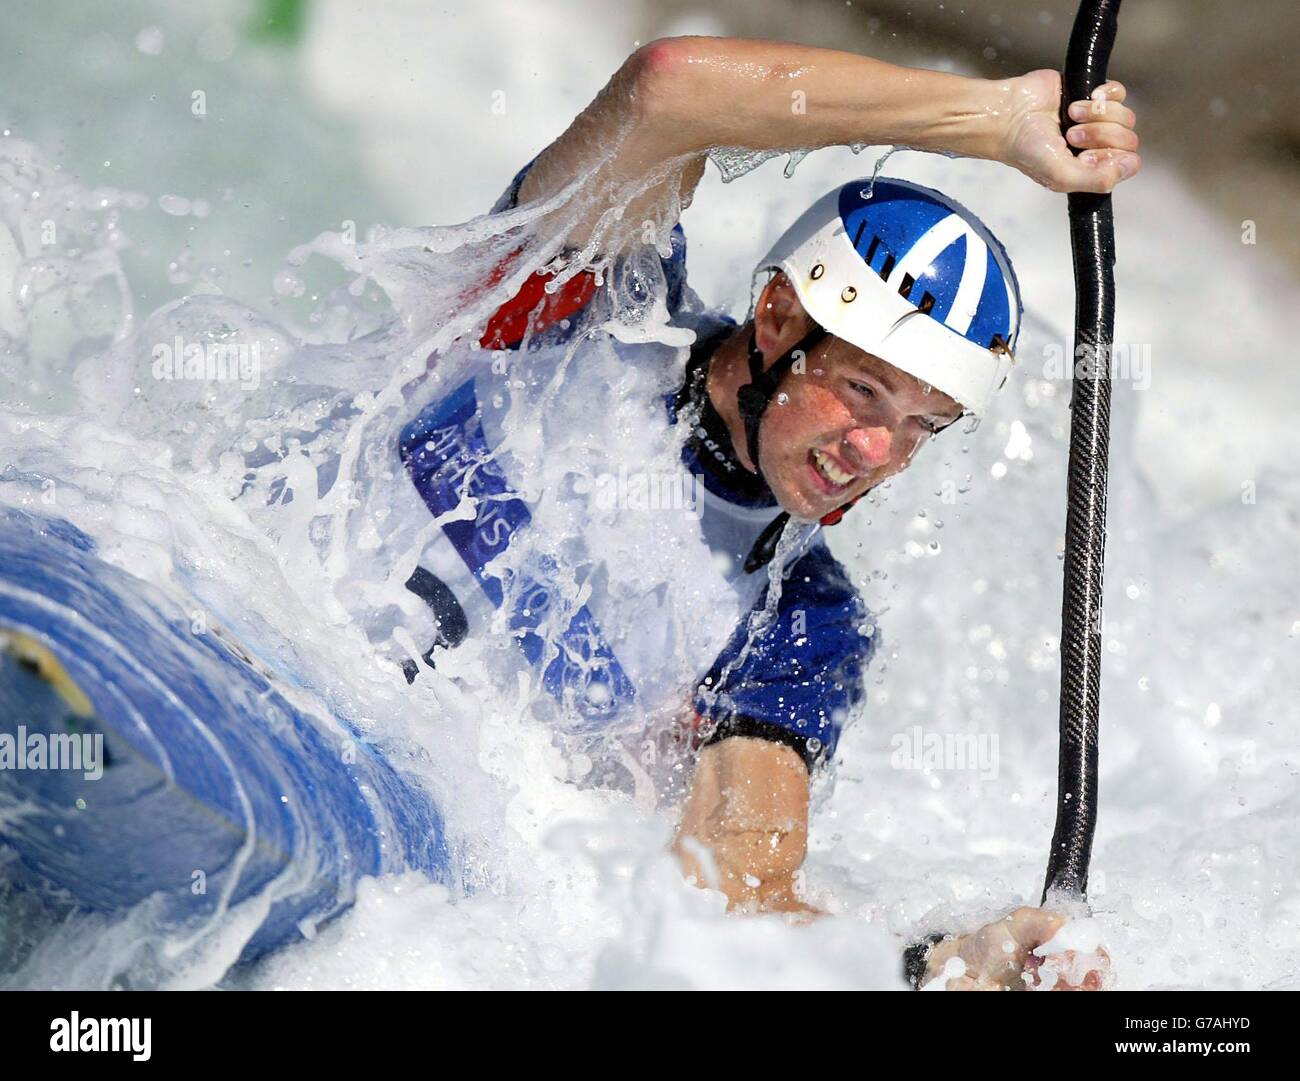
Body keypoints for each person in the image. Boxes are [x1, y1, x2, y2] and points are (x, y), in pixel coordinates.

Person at [400, 36, 1140, 990]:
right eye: (865, 392)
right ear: (781, 320)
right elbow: (669, 92)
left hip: (400, 865)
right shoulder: (582, 305)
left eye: (922, 424)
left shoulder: (801, 626)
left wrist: (949, 964)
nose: (877, 453)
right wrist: (991, 121)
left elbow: (736, 897)